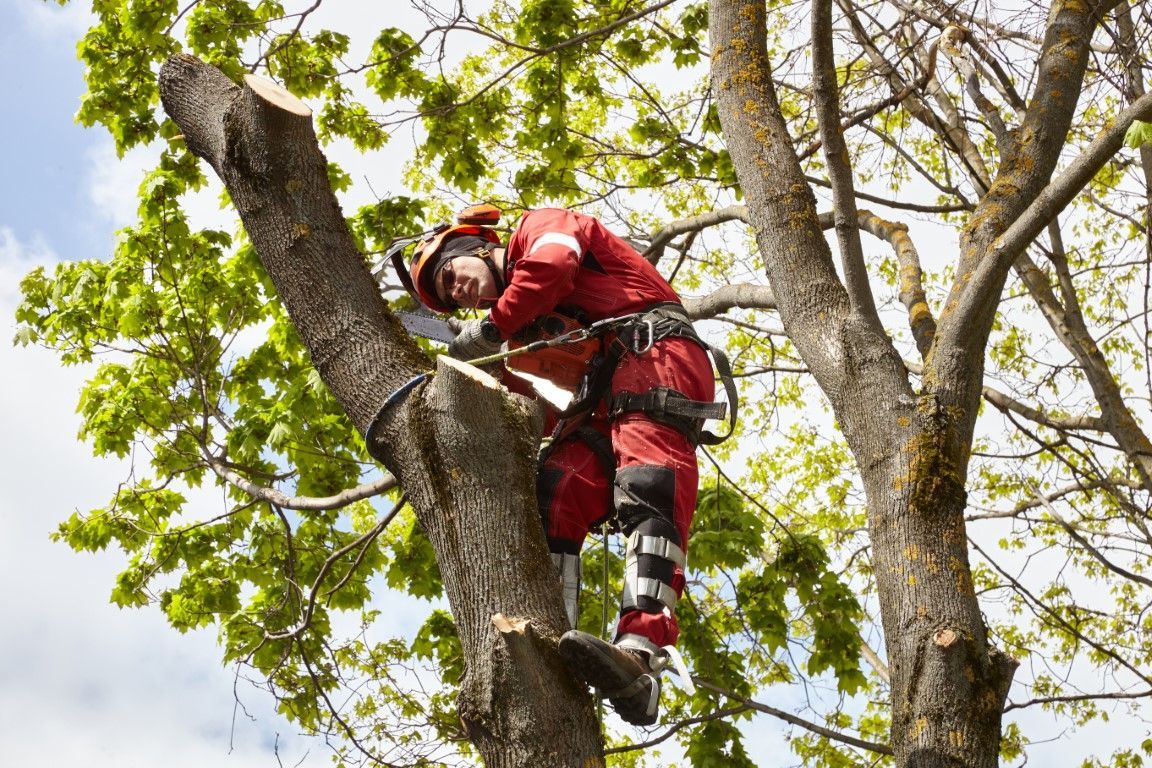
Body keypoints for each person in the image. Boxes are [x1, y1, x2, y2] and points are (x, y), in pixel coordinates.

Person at [404, 206, 733, 726]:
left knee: (647, 484)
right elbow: (537, 410)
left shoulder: (540, 230)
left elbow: (553, 265)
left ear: (473, 245)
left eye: (451, 276)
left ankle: (642, 652)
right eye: (449, 299)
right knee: (557, 488)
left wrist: (489, 332)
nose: (459, 294)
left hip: (657, 353)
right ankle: (553, 641)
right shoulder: (520, 326)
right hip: (601, 394)